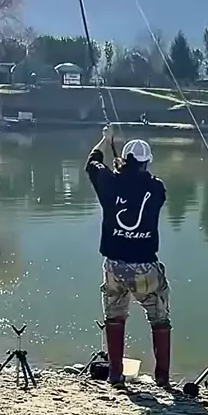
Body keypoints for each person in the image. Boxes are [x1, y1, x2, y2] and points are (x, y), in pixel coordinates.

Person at [85, 127, 171, 388]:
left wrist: (106, 139)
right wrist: (123, 172)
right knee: (159, 318)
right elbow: (144, 186)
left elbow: (92, 162)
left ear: (125, 159)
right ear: (146, 162)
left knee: (115, 316)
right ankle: (162, 378)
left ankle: (115, 374)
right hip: (145, 266)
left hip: (115, 265)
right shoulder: (157, 189)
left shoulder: (109, 182)